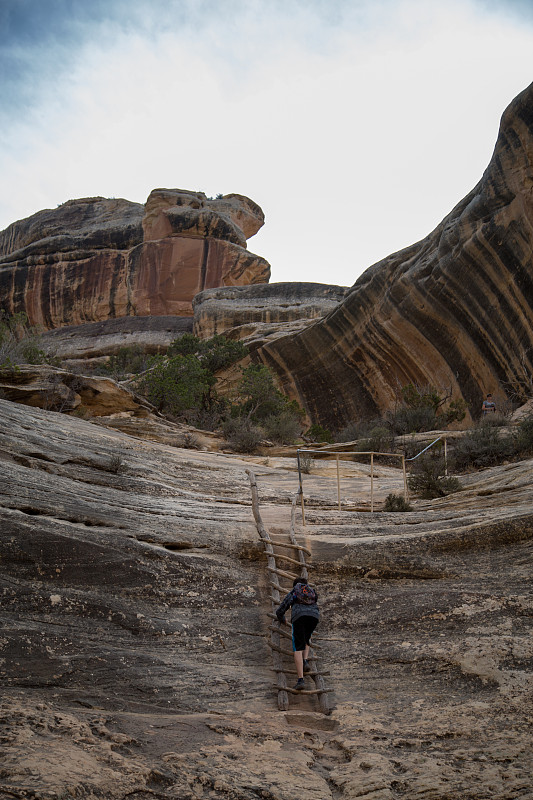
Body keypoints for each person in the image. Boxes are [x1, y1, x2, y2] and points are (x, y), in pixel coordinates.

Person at [275, 577, 319, 691]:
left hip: (299, 616)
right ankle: (305, 660)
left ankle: (300, 680)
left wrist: (282, 618)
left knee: (297, 647)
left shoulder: (295, 591)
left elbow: (282, 607)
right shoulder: (311, 591)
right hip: (314, 616)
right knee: (306, 638)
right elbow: (316, 600)